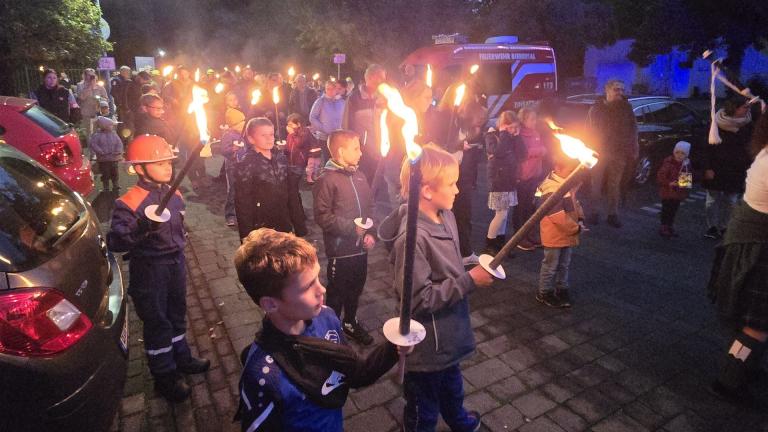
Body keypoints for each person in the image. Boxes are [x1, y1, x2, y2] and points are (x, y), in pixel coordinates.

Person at [234, 228, 402, 431]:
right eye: (308, 287)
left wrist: (395, 346)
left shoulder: (327, 317)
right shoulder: (264, 376)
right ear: (270, 304)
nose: (322, 290)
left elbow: (355, 371)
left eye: (318, 278)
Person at [378, 144, 494, 432]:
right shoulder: (412, 239)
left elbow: (447, 268)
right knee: (423, 406)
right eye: (452, 184)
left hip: (450, 336)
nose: (458, 190)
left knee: (452, 386)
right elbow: (417, 300)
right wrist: (469, 281)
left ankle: (459, 420)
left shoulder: (446, 216)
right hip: (428, 345)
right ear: (427, 190)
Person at [107, 135, 210, 403]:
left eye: (169, 162)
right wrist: (141, 227)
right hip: (150, 270)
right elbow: (116, 241)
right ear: (140, 168)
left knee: (177, 313)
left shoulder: (173, 192)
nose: (168, 168)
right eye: (159, 163)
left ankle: (181, 357)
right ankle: (164, 375)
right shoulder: (128, 203)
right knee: (157, 321)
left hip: (175, 263)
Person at [708, 112, 768, 406]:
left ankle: (746, 365)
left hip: (751, 242)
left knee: (754, 323)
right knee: (756, 325)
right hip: (755, 248)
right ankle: (728, 380)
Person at [313, 130, 376, 345]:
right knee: (337, 292)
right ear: (341, 151)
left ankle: (350, 322)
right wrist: (351, 228)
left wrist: (369, 233)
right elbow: (322, 216)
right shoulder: (327, 179)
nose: (361, 152)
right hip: (340, 251)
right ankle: (330, 330)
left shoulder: (360, 175)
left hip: (360, 249)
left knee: (356, 286)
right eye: (356, 148)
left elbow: (369, 208)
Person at [233, 117, 307, 240]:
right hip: (262, 227)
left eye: (271, 134)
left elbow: (292, 193)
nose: (269, 138)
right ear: (251, 139)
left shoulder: (281, 158)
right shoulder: (247, 164)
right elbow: (242, 203)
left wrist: (300, 226)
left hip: (284, 222)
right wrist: (247, 238)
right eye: (263, 135)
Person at [586, 79, 638, 228]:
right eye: (616, 89)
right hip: (598, 152)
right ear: (607, 90)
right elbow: (588, 130)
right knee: (596, 184)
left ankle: (612, 214)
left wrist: (634, 147)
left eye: (622, 89)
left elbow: (633, 129)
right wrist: (588, 150)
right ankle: (594, 212)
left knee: (614, 185)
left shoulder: (626, 108)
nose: (620, 93)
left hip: (618, 152)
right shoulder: (596, 109)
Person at [536, 151, 585, 308]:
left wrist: (580, 218)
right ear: (557, 167)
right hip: (555, 234)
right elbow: (557, 216)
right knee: (551, 264)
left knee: (564, 264)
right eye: (570, 171)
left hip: (566, 232)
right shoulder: (552, 189)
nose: (573, 174)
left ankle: (562, 288)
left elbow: (574, 203)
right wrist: (575, 228)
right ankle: (544, 292)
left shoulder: (565, 183)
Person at [702, 95, 754, 239]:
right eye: (745, 107)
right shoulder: (716, 123)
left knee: (731, 202)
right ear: (735, 108)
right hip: (716, 168)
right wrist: (707, 167)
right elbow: (706, 147)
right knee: (712, 201)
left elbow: (750, 147)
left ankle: (725, 226)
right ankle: (711, 226)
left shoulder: (747, 124)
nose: (748, 109)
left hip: (736, 169)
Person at [483, 111, 527, 255]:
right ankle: (489, 243)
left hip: (509, 179)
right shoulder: (491, 136)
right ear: (503, 126)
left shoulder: (512, 137)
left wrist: (518, 136)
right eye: (511, 127)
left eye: (516, 127)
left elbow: (523, 154)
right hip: (499, 180)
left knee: (504, 215)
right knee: (500, 214)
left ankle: (499, 243)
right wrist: (504, 134)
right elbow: (498, 152)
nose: (514, 130)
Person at [342, 64, 387, 183]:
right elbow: (346, 125)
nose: (383, 81)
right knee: (362, 183)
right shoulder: (354, 98)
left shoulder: (386, 97)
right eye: (380, 77)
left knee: (378, 185)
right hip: (363, 152)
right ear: (370, 78)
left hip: (381, 151)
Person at [515, 107, 548, 250]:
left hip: (534, 175)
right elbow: (523, 153)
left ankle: (529, 234)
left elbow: (541, 148)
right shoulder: (519, 135)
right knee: (520, 208)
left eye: (535, 118)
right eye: (532, 119)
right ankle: (519, 238)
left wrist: (542, 151)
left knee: (530, 207)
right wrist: (540, 151)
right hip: (523, 177)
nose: (535, 122)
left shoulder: (535, 133)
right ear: (523, 120)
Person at [656, 141, 692, 238]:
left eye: (682, 153)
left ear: (686, 154)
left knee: (673, 210)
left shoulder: (686, 165)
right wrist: (669, 183)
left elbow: (686, 181)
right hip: (667, 192)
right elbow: (661, 176)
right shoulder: (668, 163)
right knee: (666, 209)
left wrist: (683, 186)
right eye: (677, 152)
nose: (679, 155)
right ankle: (664, 226)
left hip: (677, 193)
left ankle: (669, 225)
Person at [220, 100, 246, 227]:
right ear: (233, 124)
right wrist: (232, 149)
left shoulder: (244, 133)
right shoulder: (228, 135)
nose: (244, 124)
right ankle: (230, 214)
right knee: (233, 191)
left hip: (244, 166)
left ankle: (243, 211)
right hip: (232, 167)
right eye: (241, 122)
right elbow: (223, 150)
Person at [309, 80, 345, 163]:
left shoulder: (342, 102)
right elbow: (312, 117)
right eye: (328, 89)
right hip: (325, 137)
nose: (330, 91)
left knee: (338, 160)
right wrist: (323, 128)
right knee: (327, 160)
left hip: (338, 137)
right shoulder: (320, 101)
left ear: (336, 89)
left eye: (332, 89)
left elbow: (346, 117)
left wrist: (343, 129)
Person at [89, 116, 123, 191]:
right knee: (105, 173)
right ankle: (106, 186)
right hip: (103, 159)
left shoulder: (114, 134)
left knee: (115, 172)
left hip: (114, 158)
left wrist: (118, 150)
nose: (112, 127)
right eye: (110, 125)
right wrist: (100, 151)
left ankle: (115, 184)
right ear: (104, 126)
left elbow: (119, 143)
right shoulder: (97, 135)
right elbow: (93, 144)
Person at [75, 68, 109, 139]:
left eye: (92, 75)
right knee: (90, 134)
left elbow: (106, 99)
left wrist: (100, 99)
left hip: (98, 113)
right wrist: (89, 86)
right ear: (84, 76)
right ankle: (92, 149)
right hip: (87, 113)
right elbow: (81, 97)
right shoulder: (80, 85)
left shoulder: (100, 86)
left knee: (100, 133)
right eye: (88, 75)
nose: (91, 77)